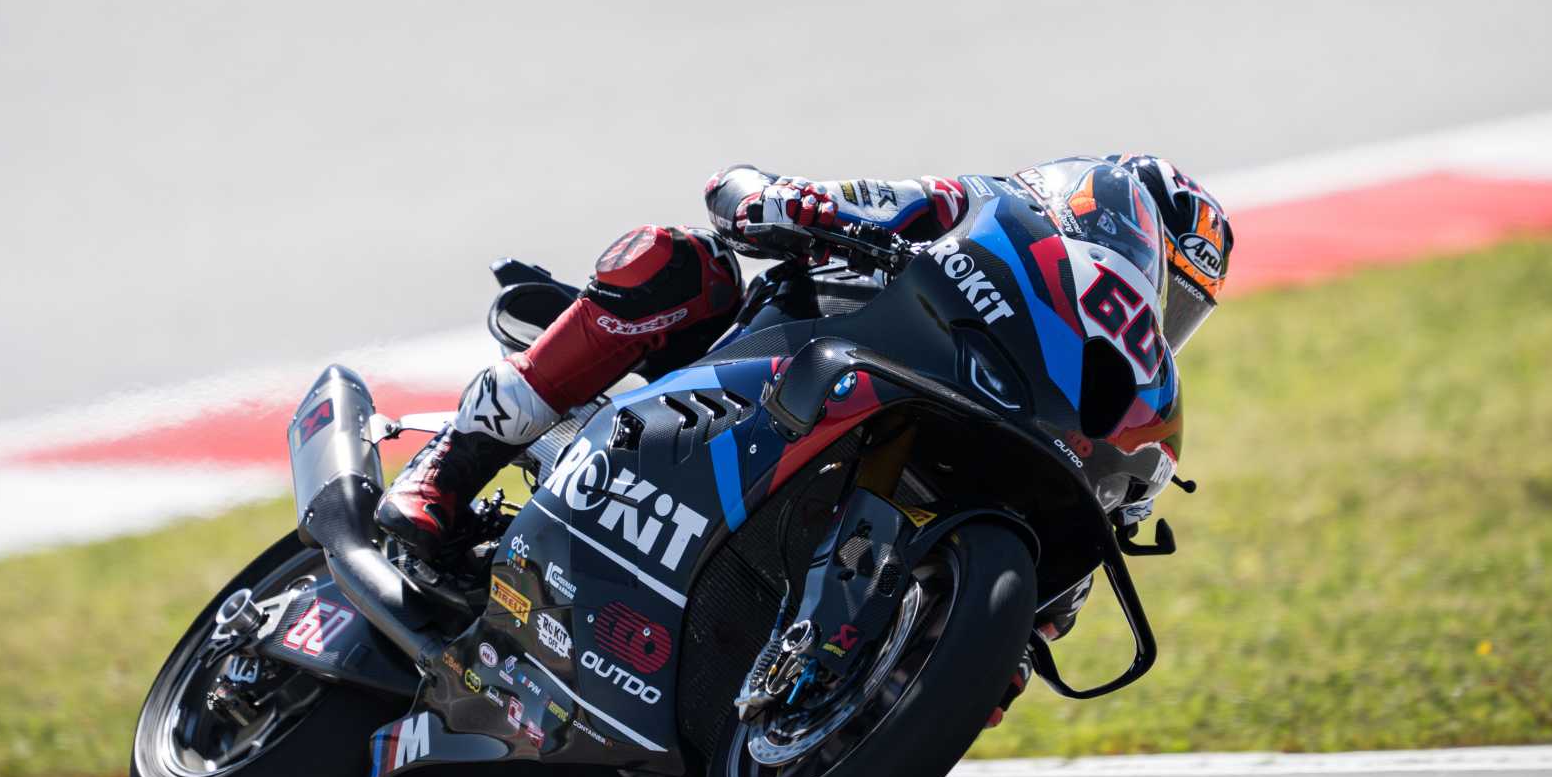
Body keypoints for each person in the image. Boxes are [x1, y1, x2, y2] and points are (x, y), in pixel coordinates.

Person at [379, 155, 1233, 555]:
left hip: (917, 428)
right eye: (1165, 287)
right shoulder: (978, 208)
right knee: (674, 261)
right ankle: (454, 460)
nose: (1157, 317)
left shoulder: (1093, 378)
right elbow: (752, 193)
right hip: (758, 367)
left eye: (1179, 312)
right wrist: (791, 204)